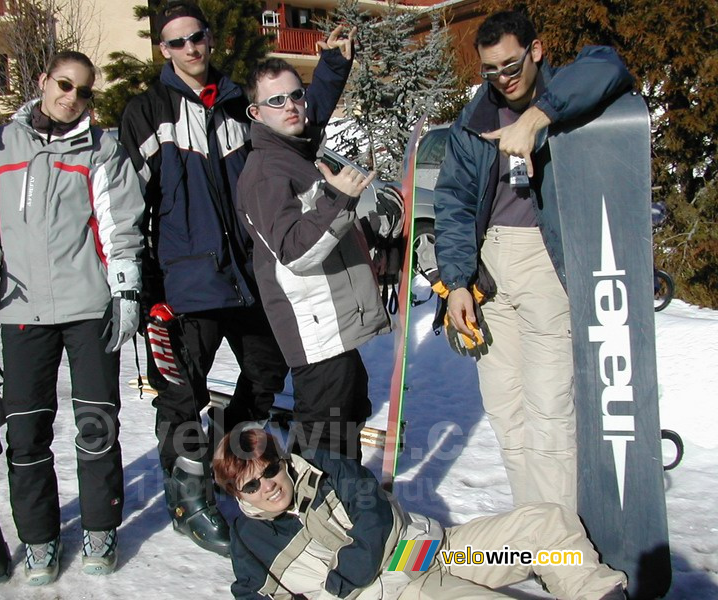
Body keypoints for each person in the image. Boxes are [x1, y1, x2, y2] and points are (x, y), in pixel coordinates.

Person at [119, 1, 355, 554]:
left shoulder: (236, 103)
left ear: (208, 37)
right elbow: (127, 208)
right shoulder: (146, 112)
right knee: (181, 395)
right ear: (163, 49)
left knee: (264, 379)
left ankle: (239, 470)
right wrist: (145, 289)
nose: (190, 49)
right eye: (177, 42)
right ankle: (188, 501)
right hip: (186, 286)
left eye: (196, 37)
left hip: (250, 277)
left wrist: (331, 70)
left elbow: (295, 117)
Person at [0, 51, 144, 584]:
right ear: (43, 81)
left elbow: (121, 222)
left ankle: (100, 527)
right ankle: (39, 537)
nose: (72, 97)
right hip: (22, 310)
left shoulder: (102, 148)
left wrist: (127, 288)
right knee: (26, 434)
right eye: (64, 84)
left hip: (89, 308)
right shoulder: (0, 145)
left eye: (84, 91)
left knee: (97, 426)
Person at [432, 10, 634, 509]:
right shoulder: (474, 122)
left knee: (550, 412)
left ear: (536, 50)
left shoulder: (565, 91)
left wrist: (538, 116)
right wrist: (457, 283)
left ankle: (565, 540)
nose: (503, 79)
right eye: (491, 71)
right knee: (507, 411)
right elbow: (454, 204)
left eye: (511, 64)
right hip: (490, 272)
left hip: (546, 263)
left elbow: (609, 65)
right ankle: (537, 526)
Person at [213, 428, 627, 599]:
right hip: (396, 593)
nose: (267, 485)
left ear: (280, 460)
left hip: (430, 552)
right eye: (252, 484)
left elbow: (375, 518)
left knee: (546, 528)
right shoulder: (249, 541)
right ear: (238, 494)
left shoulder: (326, 469)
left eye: (269, 469)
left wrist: (341, 580)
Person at [237, 55, 389, 461]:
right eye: (275, 101)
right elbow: (295, 251)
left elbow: (326, 238)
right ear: (256, 112)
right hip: (316, 334)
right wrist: (341, 198)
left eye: (296, 95)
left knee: (343, 430)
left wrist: (373, 239)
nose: (289, 105)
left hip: (335, 329)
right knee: (326, 447)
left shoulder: (296, 153)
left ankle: (343, 511)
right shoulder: (267, 171)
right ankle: (319, 518)